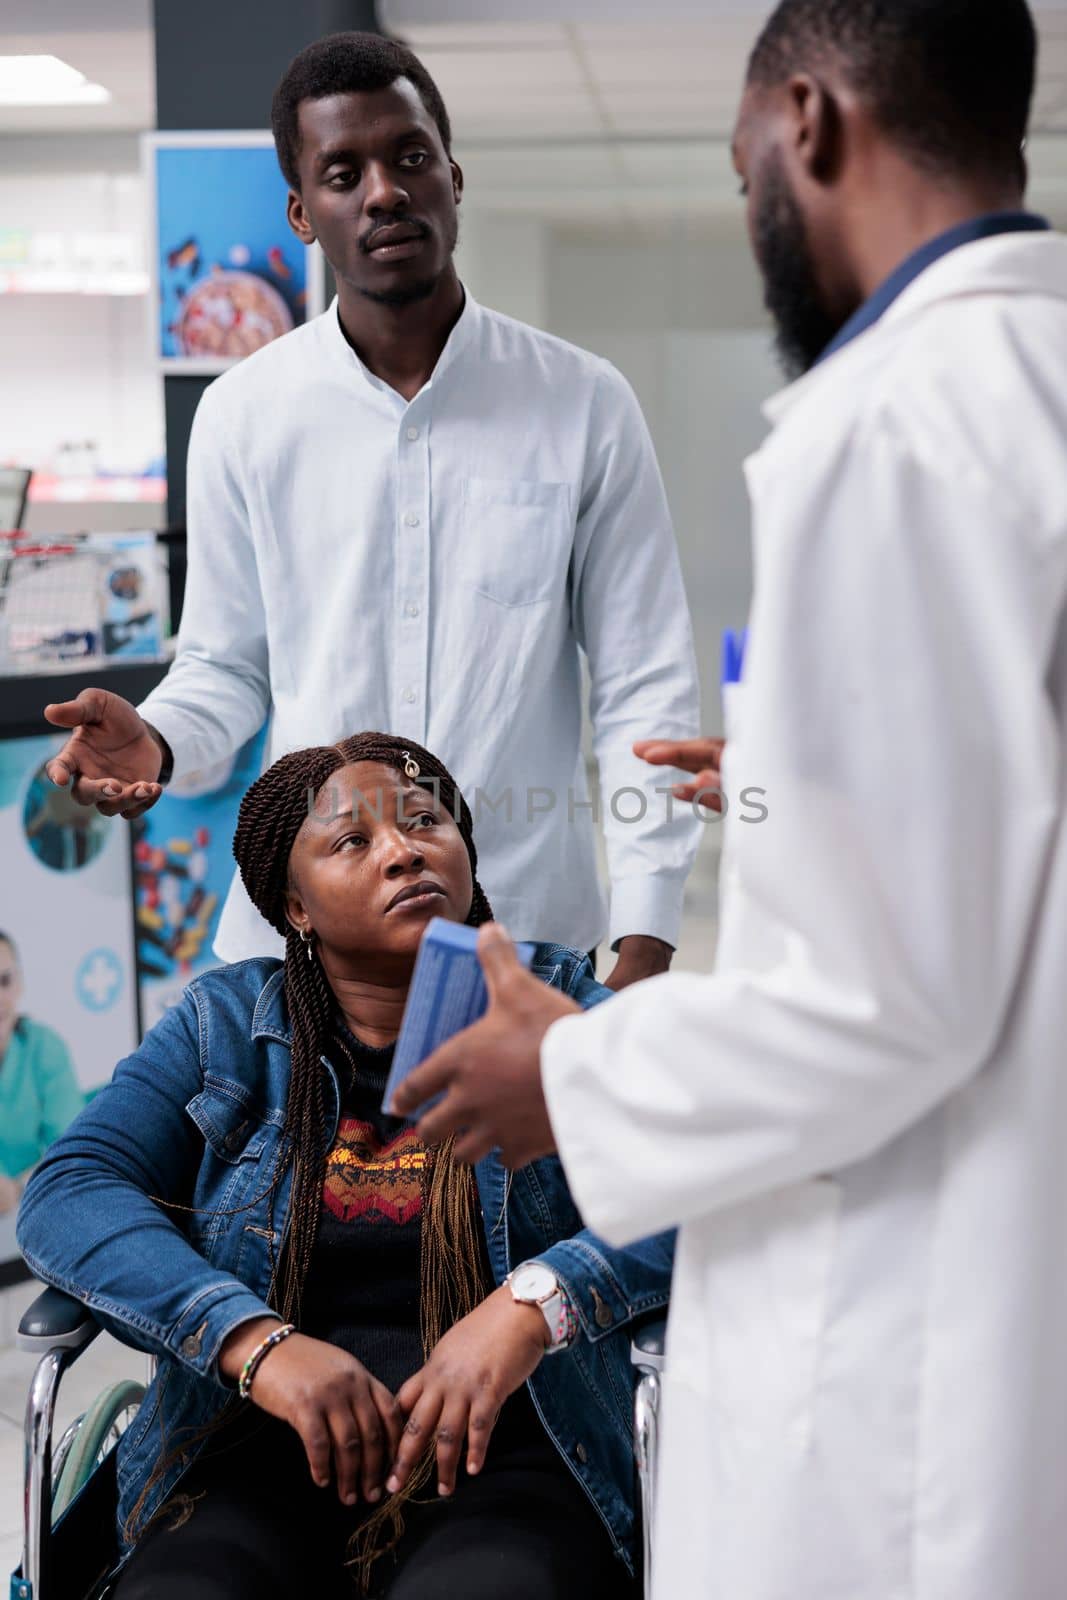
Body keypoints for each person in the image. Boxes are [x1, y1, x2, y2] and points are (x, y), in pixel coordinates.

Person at [390, 3, 1067, 1597]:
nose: (755, 192)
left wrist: (573, 1070)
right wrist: (802, 786)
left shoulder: (892, 420)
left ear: (806, 122)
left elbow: (879, 1002)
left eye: (742, 155)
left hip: (909, 1338)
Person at [41, 31, 700, 993]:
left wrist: (645, 931)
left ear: (453, 176)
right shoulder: (244, 414)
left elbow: (644, 685)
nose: (384, 191)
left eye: (409, 157)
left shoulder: (583, 403)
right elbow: (226, 665)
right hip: (302, 947)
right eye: (343, 173)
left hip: (521, 941)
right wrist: (159, 736)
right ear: (304, 215)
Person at [17, 733, 670, 1600]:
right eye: (352, 841)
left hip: (519, 1448)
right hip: (250, 1446)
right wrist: (252, 1340)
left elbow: (698, 1183)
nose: (404, 850)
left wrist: (532, 1306)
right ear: (295, 907)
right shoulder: (226, 1026)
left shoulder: (559, 1006)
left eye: (426, 821)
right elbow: (71, 1190)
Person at [0, 931, 83, 1213]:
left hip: (38, 1209)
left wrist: (18, 1187)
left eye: (4, 980)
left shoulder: (44, 1048)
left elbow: (70, 1147)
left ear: (20, 982)